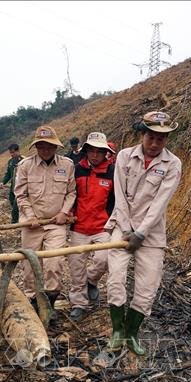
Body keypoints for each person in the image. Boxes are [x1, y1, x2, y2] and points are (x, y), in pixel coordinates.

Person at [105, 111, 182, 356]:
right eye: (151, 136)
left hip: (152, 232)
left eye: (161, 138)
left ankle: (131, 333)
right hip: (122, 226)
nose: (155, 142)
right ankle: (117, 330)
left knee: (148, 284)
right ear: (143, 134)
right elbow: (119, 195)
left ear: (167, 138)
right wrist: (127, 230)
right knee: (116, 277)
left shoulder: (172, 164)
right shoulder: (125, 157)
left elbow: (161, 202)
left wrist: (141, 233)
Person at [14, 126, 76, 319]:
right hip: (31, 223)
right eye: (41, 145)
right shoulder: (25, 165)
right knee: (30, 263)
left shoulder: (67, 165)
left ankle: (50, 302)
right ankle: (32, 300)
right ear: (36, 146)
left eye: (49, 145)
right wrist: (30, 216)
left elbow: (71, 192)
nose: (45, 149)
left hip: (55, 223)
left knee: (54, 261)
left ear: (55, 146)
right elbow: (20, 194)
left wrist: (64, 212)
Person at [67, 132, 115, 321]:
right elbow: (70, 194)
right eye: (91, 151)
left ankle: (91, 280)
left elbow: (116, 200)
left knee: (104, 259)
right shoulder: (77, 170)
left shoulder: (112, 172)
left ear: (106, 153)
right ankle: (79, 303)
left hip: (102, 227)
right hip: (79, 227)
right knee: (76, 266)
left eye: (99, 152)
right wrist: (69, 212)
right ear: (85, 151)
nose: (94, 155)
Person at [0, 143, 22, 223]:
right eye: (10, 153)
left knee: (17, 206)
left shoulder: (23, 161)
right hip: (13, 187)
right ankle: (18, 219)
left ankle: (15, 222)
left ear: (18, 151)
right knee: (12, 201)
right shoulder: (10, 161)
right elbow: (8, 174)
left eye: (13, 152)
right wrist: (3, 182)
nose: (12, 154)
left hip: (21, 187)